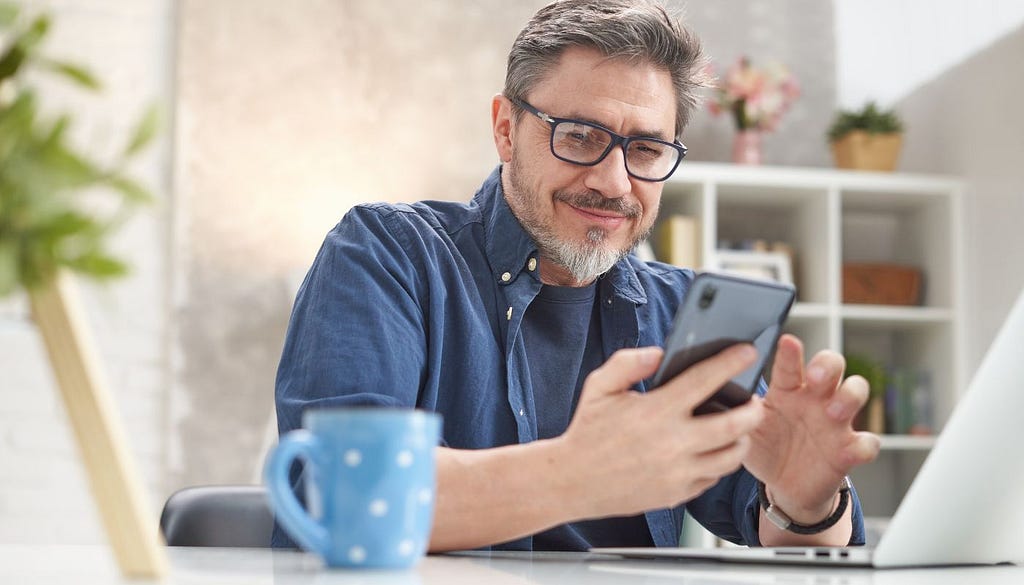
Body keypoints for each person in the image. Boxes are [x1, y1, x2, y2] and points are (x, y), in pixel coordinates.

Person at [274, 0, 880, 552]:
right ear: (506, 129)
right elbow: (344, 497)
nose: (614, 183)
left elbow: (777, 528)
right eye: (581, 136)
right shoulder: (389, 255)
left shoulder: (678, 309)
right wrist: (580, 473)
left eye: (645, 150)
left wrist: (805, 501)